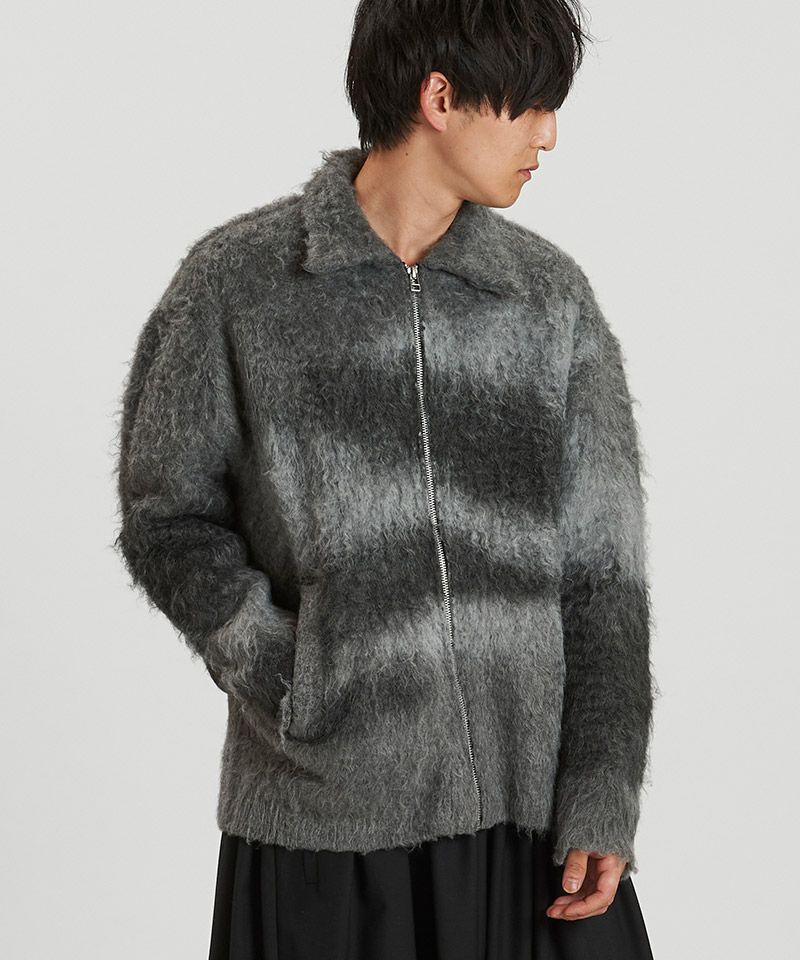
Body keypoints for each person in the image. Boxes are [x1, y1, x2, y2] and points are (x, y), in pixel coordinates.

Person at [113, 0, 657, 957]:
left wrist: (602, 792)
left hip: (525, 825)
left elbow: (605, 578)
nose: (549, 136)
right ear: (440, 97)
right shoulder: (241, 284)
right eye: (531, 105)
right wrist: (293, 678)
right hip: (324, 826)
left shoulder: (549, 304)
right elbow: (167, 515)